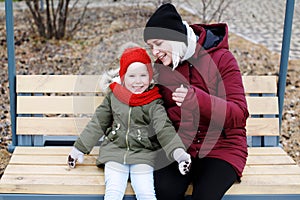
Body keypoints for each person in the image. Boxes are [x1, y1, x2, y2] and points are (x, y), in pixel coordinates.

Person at [143, 3, 249, 200]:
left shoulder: (222, 59)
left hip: (222, 148)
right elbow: (153, 110)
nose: (155, 52)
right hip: (181, 148)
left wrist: (197, 99)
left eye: (158, 43)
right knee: (165, 191)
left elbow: (239, 114)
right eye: (151, 47)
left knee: (205, 195)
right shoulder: (162, 69)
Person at [67, 47, 191, 200]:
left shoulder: (154, 101)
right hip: (114, 152)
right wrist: (79, 148)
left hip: (143, 154)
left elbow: (164, 128)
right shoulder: (114, 96)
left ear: (150, 76)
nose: (138, 81)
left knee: (146, 193)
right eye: (132, 76)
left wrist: (178, 153)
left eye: (143, 75)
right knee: (113, 192)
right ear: (123, 77)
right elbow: (98, 123)